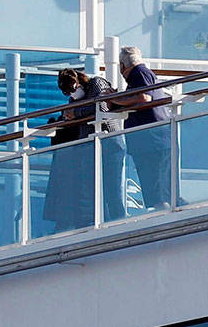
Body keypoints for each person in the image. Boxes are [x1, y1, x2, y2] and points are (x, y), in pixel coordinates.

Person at [45, 68, 126, 230]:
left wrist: (76, 113)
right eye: (67, 93)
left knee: (112, 189)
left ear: (79, 81)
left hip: (109, 142)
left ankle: (119, 223)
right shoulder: (74, 100)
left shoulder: (96, 83)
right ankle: (93, 224)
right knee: (90, 190)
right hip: (88, 146)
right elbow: (75, 115)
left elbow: (102, 106)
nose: (72, 94)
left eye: (73, 89)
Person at [108, 46, 172, 210]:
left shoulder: (139, 73)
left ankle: (164, 219)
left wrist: (115, 99)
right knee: (156, 186)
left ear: (122, 66)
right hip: (151, 140)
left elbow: (144, 98)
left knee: (157, 188)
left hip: (151, 140)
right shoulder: (142, 74)